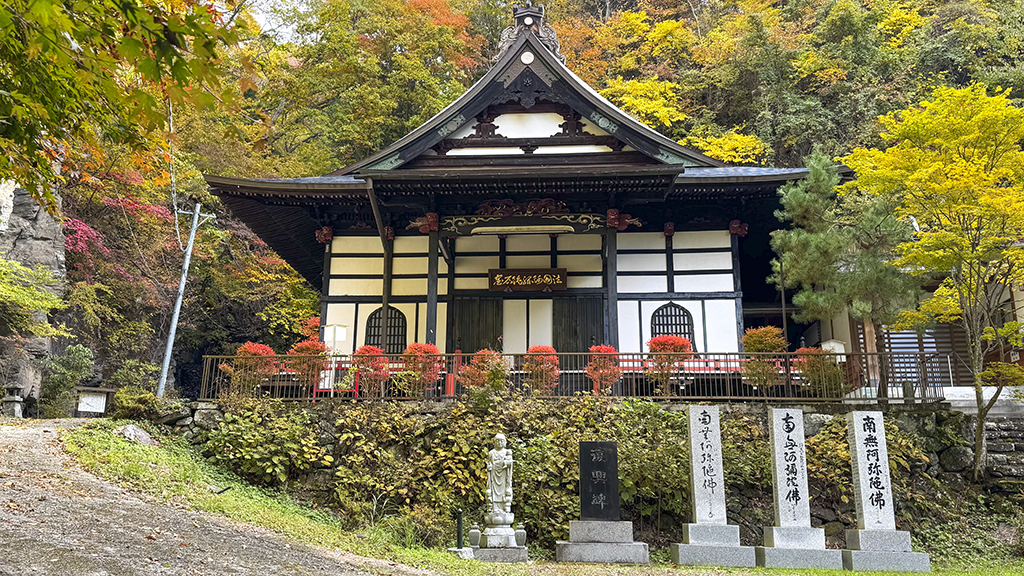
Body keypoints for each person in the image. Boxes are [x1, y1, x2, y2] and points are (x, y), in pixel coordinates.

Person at [486, 433, 513, 513]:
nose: (499, 443)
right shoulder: (491, 453)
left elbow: (510, 463)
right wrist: (489, 468)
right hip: (494, 476)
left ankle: (504, 507)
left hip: (504, 476)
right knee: (492, 491)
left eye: (501, 441)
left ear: (504, 442)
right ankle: (493, 508)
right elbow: (489, 464)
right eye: (497, 441)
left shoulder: (507, 452)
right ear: (494, 442)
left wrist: (507, 463)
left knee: (505, 491)